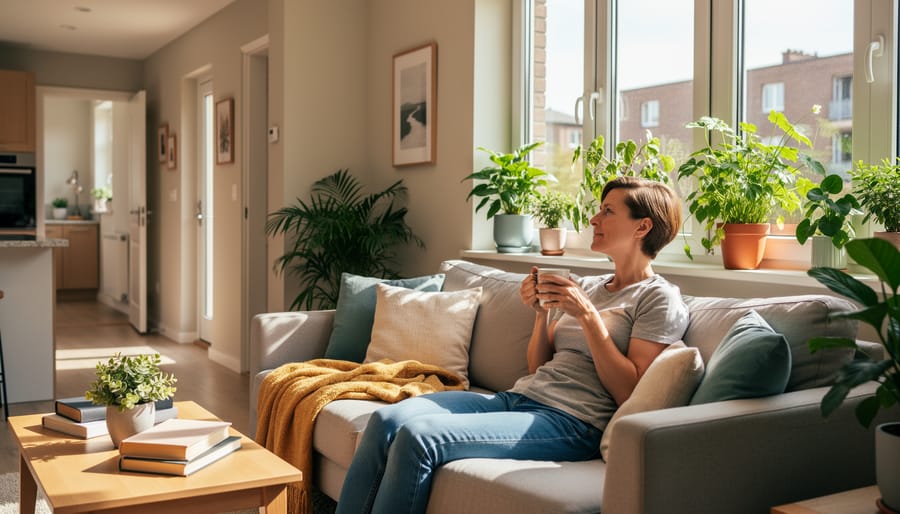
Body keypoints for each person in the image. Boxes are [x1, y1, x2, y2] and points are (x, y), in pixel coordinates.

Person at [335, 176, 689, 514]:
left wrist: (587, 316)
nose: (594, 219)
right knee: (385, 420)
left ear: (642, 227)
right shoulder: (589, 286)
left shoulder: (658, 297)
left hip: (574, 421)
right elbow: (538, 367)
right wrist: (541, 313)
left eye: (608, 211)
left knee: (419, 437)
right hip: (521, 397)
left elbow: (628, 391)